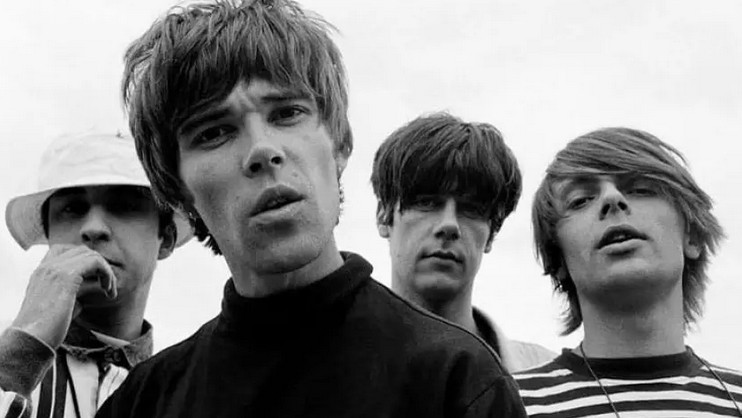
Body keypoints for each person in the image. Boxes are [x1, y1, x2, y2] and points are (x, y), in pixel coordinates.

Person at [96, 1, 527, 417]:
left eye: (287, 113)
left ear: (340, 144)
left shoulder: (458, 383)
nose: (262, 149)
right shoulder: (143, 402)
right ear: (176, 190)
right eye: (213, 132)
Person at [513, 127, 742, 417]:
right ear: (557, 260)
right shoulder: (506, 405)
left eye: (641, 189)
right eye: (580, 200)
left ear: (692, 238)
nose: (612, 198)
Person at [0, 132, 193, 418]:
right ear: (49, 234)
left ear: (165, 238)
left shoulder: (190, 388)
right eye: (72, 209)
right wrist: (24, 348)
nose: (93, 228)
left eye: (123, 206)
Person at [370, 112, 555, 372]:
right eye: (426, 203)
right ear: (383, 215)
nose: (449, 225)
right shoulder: (326, 367)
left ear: (491, 233)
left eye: (471, 209)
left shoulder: (544, 376)